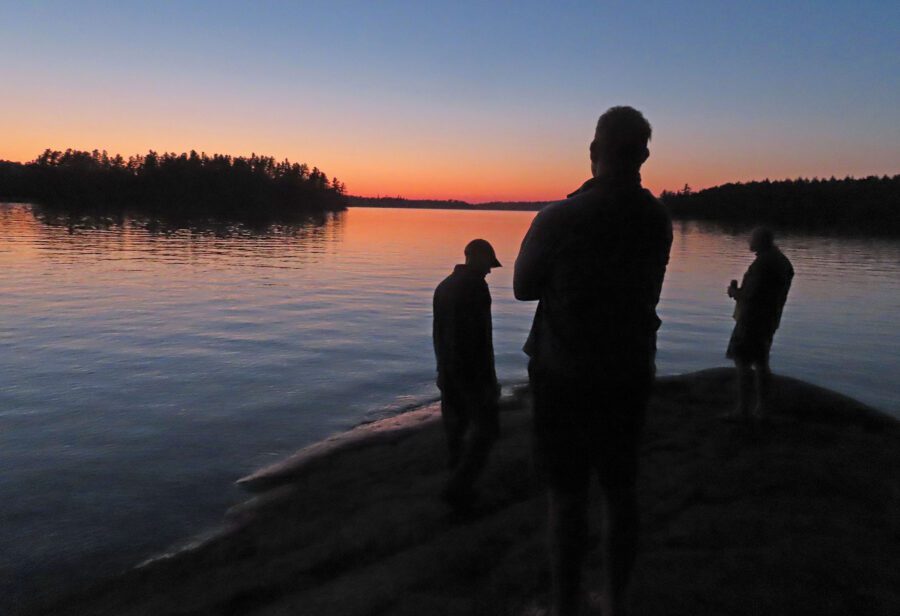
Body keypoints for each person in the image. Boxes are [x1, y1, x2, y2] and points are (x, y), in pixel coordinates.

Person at [514, 106, 672, 616]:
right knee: (620, 492)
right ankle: (617, 602)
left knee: (567, 495)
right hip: (629, 371)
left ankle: (566, 605)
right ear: (644, 154)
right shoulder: (656, 218)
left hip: (565, 374)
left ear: (592, 152)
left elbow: (521, 288)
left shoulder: (562, 217)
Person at [433, 238, 502, 509]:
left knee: (456, 428)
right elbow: (481, 337)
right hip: (470, 372)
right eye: (489, 265)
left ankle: (457, 484)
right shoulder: (475, 287)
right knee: (487, 430)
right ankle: (458, 488)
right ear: (478, 258)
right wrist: (489, 379)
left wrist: (442, 369)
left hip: (448, 368)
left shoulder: (445, 285)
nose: (489, 271)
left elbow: (439, 333)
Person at [725, 226, 793, 422]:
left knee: (743, 364)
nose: (749, 242)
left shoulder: (763, 263)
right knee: (761, 363)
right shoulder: (782, 262)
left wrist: (733, 292)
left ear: (761, 241)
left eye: (752, 239)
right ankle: (762, 409)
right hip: (769, 320)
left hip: (751, 321)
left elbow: (750, 296)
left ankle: (743, 410)